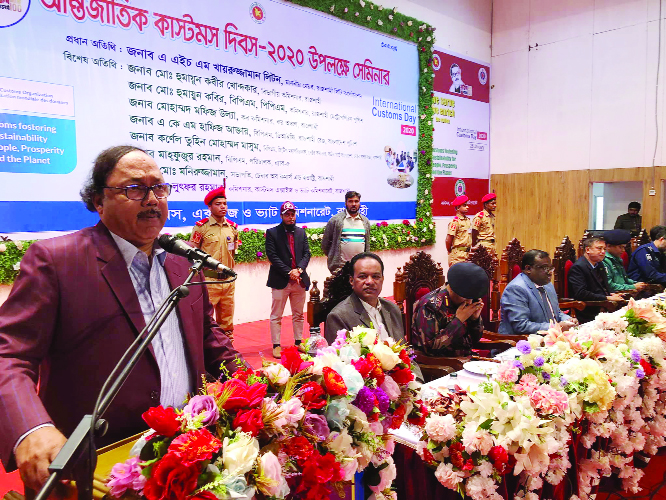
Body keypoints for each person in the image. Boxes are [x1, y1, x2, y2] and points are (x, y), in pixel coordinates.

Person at [0, 145, 244, 491]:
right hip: (96, 468)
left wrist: (255, 383)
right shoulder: (57, 262)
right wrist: (31, 427)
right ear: (99, 201)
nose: (151, 199)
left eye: (159, 188)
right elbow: (9, 354)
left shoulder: (182, 262)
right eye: (134, 189)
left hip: (185, 453)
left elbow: (209, 337)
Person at [190, 186, 238, 340]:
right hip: (209, 281)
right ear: (209, 206)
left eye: (225, 203)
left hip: (228, 281)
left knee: (227, 322)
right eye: (218, 204)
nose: (223, 206)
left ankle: (228, 352)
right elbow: (193, 253)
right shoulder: (201, 227)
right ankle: (208, 352)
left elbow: (234, 251)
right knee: (206, 320)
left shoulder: (233, 228)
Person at [325, 252, 404, 344]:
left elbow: (404, 350)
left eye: (375, 276)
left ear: (382, 279)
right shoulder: (338, 317)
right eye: (363, 276)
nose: (370, 281)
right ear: (351, 280)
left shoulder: (392, 309)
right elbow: (340, 357)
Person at [266, 202, 311, 358]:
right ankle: (276, 345)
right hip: (280, 280)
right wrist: (289, 272)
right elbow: (272, 256)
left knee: (298, 314)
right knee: (276, 315)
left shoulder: (301, 233)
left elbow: (307, 254)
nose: (290, 217)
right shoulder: (272, 233)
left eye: (292, 214)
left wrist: (299, 270)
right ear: (281, 215)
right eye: (287, 214)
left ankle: (298, 342)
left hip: (299, 280)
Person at [411, 262, 487, 356]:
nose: (469, 302)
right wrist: (458, 321)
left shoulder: (468, 302)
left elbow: (474, 340)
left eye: (471, 298)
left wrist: (474, 320)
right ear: (450, 288)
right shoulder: (430, 306)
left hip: (466, 359)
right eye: (465, 297)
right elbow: (429, 349)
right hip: (443, 365)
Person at [499, 250, 577, 335]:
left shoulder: (548, 285)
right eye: (544, 268)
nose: (549, 272)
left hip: (551, 337)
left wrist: (568, 320)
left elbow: (556, 313)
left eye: (550, 268)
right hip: (520, 342)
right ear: (528, 269)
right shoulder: (516, 289)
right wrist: (555, 327)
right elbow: (521, 326)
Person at [568, 237, 625, 324]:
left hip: (602, 305)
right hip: (588, 310)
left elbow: (602, 286)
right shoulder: (579, 267)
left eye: (604, 249)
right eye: (599, 248)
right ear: (588, 250)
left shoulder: (599, 264)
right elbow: (581, 293)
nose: (603, 252)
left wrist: (611, 294)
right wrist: (606, 297)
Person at [321, 191, 371, 273]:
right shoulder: (335, 220)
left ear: (359, 203)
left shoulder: (365, 221)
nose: (353, 204)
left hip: (360, 267)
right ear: (345, 203)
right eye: (350, 201)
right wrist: (333, 256)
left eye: (356, 201)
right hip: (340, 267)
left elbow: (367, 245)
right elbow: (325, 244)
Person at [602, 229, 648, 293]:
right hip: (615, 294)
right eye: (620, 247)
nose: (623, 250)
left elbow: (624, 279)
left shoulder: (617, 259)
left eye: (624, 247)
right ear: (608, 246)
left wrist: (636, 284)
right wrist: (632, 287)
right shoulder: (603, 260)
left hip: (623, 291)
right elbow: (609, 286)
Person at [446, 195, 472, 266]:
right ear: (458, 208)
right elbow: (448, 239)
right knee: (457, 276)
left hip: (467, 254)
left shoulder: (467, 221)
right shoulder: (455, 222)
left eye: (467, 205)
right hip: (458, 255)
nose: (467, 207)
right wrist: (450, 251)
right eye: (464, 205)